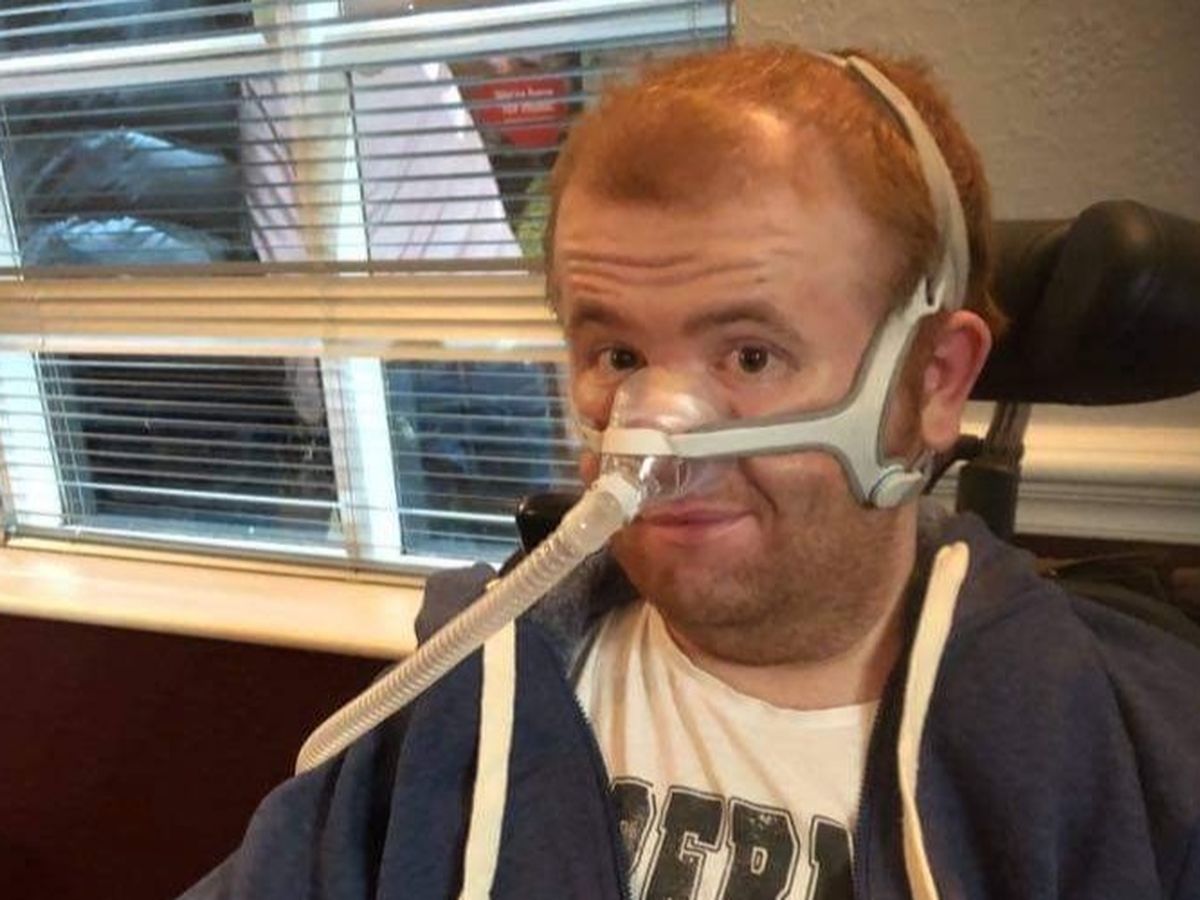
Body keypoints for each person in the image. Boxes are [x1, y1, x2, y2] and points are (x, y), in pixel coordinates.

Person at [181, 45, 1200, 900]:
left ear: (933, 380)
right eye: (619, 354)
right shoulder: (459, 702)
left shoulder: (1128, 765)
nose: (657, 438)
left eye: (750, 356)